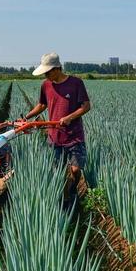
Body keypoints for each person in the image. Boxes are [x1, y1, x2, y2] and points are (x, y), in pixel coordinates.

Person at [24, 52, 91, 209]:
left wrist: (70, 117)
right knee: (58, 171)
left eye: (48, 72)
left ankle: (73, 190)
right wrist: (26, 117)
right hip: (55, 136)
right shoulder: (46, 85)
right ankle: (64, 198)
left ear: (57, 68)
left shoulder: (76, 83)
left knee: (75, 169)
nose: (46, 76)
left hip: (74, 135)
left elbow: (86, 106)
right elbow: (41, 105)